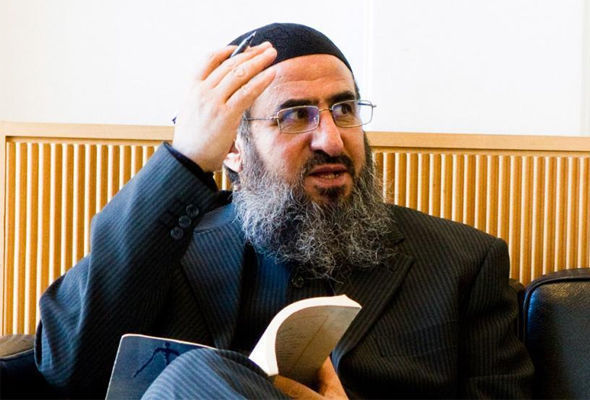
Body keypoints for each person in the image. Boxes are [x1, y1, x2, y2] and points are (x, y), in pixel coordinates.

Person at [34, 23, 533, 398]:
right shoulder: (170, 253)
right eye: (295, 115)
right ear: (233, 148)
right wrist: (186, 160)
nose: (331, 139)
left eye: (344, 109)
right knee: (197, 375)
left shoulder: (463, 262)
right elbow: (66, 367)